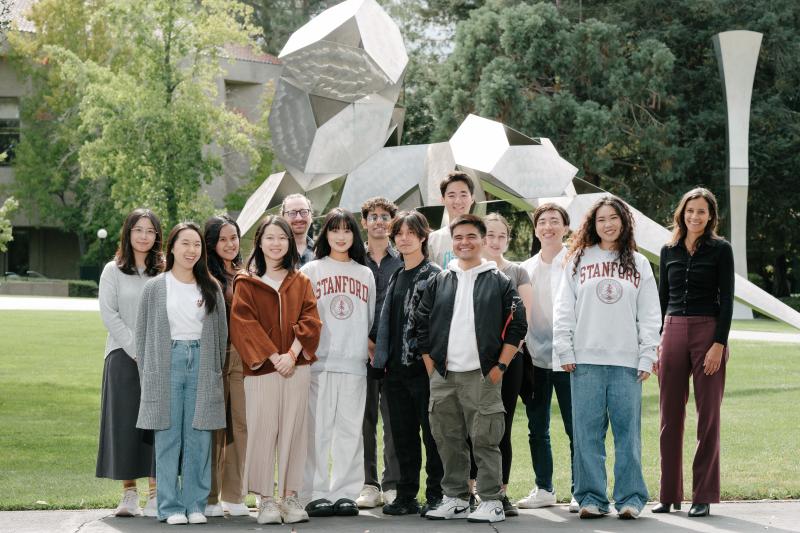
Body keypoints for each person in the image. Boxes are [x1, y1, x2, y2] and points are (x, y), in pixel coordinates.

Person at [553, 196, 661, 520]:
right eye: (601, 219)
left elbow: (651, 315)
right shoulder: (578, 259)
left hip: (626, 361)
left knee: (628, 434)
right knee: (587, 434)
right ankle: (591, 498)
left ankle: (630, 498)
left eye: (614, 218)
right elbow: (563, 309)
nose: (608, 224)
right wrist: (565, 350)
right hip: (584, 360)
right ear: (593, 224)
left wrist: (646, 357)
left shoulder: (639, 264)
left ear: (624, 222)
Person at [416, 214, 527, 524]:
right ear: (453, 243)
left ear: (482, 240)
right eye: (458, 237)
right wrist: (432, 367)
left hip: (482, 375)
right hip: (444, 375)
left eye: (471, 237)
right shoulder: (440, 280)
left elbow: (518, 326)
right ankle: (456, 497)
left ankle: (492, 499)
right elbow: (421, 325)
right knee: (446, 438)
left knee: (485, 439)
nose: (464, 242)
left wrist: (499, 367)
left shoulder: (499, 280)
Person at [230, 216, 322, 525]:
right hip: (262, 370)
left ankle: (290, 497)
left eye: (281, 238)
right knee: (262, 432)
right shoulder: (246, 282)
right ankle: (266, 500)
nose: (276, 243)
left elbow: (311, 320)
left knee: (295, 432)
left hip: (296, 368)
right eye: (269, 237)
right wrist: (274, 356)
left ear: (289, 242)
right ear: (259, 242)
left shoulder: (301, 282)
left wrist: (292, 355)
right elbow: (244, 324)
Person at [135, 222, 227, 525]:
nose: (191, 250)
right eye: (185, 243)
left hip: (202, 362)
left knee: (199, 436)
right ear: (172, 246)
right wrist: (149, 374)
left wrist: (213, 371)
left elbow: (221, 335)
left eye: (197, 245)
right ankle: (170, 506)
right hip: (166, 363)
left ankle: (195, 504)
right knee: (168, 436)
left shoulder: (211, 287)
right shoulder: (155, 287)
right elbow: (143, 335)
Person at [652, 188, 734, 518]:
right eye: (690, 211)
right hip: (671, 329)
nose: (695, 217)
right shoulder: (668, 249)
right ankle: (669, 494)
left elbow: (727, 299)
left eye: (701, 212)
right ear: (681, 213)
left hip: (707, 331)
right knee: (669, 418)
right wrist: (656, 342)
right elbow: (660, 300)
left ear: (710, 216)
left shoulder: (720, 250)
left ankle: (703, 495)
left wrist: (719, 343)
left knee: (708, 417)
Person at [300, 208, 376, 517]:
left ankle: (346, 492)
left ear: (354, 235)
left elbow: (368, 317)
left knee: (349, 430)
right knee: (317, 431)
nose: (341, 236)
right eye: (335, 230)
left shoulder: (364, 273)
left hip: (354, 361)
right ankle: (315, 492)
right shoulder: (312, 270)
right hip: (319, 361)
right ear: (326, 234)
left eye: (347, 230)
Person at [371, 211, 445, 517]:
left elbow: (440, 326)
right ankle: (406, 495)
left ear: (423, 236)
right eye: (398, 233)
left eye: (410, 233)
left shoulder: (435, 275)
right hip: (395, 372)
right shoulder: (397, 275)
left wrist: (432, 366)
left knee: (433, 435)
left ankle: (437, 494)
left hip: (424, 370)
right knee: (402, 436)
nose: (404, 238)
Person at [96, 208, 162, 517]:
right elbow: (109, 313)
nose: (144, 236)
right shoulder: (113, 270)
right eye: (139, 230)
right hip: (122, 356)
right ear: (128, 233)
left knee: (155, 424)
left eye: (150, 231)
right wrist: (136, 347)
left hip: (158, 357)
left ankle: (156, 492)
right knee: (124, 424)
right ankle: (128, 494)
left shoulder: (164, 271)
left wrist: (151, 350)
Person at [518, 203, 577, 512]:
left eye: (555, 221)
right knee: (536, 427)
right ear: (536, 228)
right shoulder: (525, 268)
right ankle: (544, 488)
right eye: (543, 221)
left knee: (575, 428)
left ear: (565, 227)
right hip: (536, 359)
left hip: (570, 360)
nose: (548, 226)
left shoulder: (577, 262)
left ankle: (582, 489)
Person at [476, 212, 534, 517]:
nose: (494, 241)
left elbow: (524, 323)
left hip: (510, 363)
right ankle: (474, 490)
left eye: (501, 236)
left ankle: (500, 492)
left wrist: (501, 362)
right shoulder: (468, 272)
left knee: (501, 427)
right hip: (473, 364)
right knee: (473, 428)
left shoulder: (518, 273)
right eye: (489, 234)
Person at [202, 216, 249, 517]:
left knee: (241, 426)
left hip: (242, 358)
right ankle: (208, 497)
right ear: (212, 243)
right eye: (223, 239)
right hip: (214, 356)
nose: (230, 244)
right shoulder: (205, 275)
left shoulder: (245, 273)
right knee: (213, 427)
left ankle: (234, 495)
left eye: (234, 238)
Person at [357, 197, 403, 508]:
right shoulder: (352, 259)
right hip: (360, 349)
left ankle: (393, 483)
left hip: (395, 351)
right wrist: (367, 342)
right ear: (364, 222)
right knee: (365, 419)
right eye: (372, 216)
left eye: (384, 216)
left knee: (394, 418)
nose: (378, 221)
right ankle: (368, 484)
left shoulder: (401, 259)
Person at [427, 172, 475, 268]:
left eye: (463, 195)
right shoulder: (433, 240)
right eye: (451, 195)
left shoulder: (485, 236)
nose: (458, 201)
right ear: (443, 199)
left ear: (472, 198)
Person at [281, 193, 315, 266]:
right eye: (292, 213)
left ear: (311, 216)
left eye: (304, 212)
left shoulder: (321, 252)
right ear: (283, 218)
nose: (299, 218)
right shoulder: (273, 250)